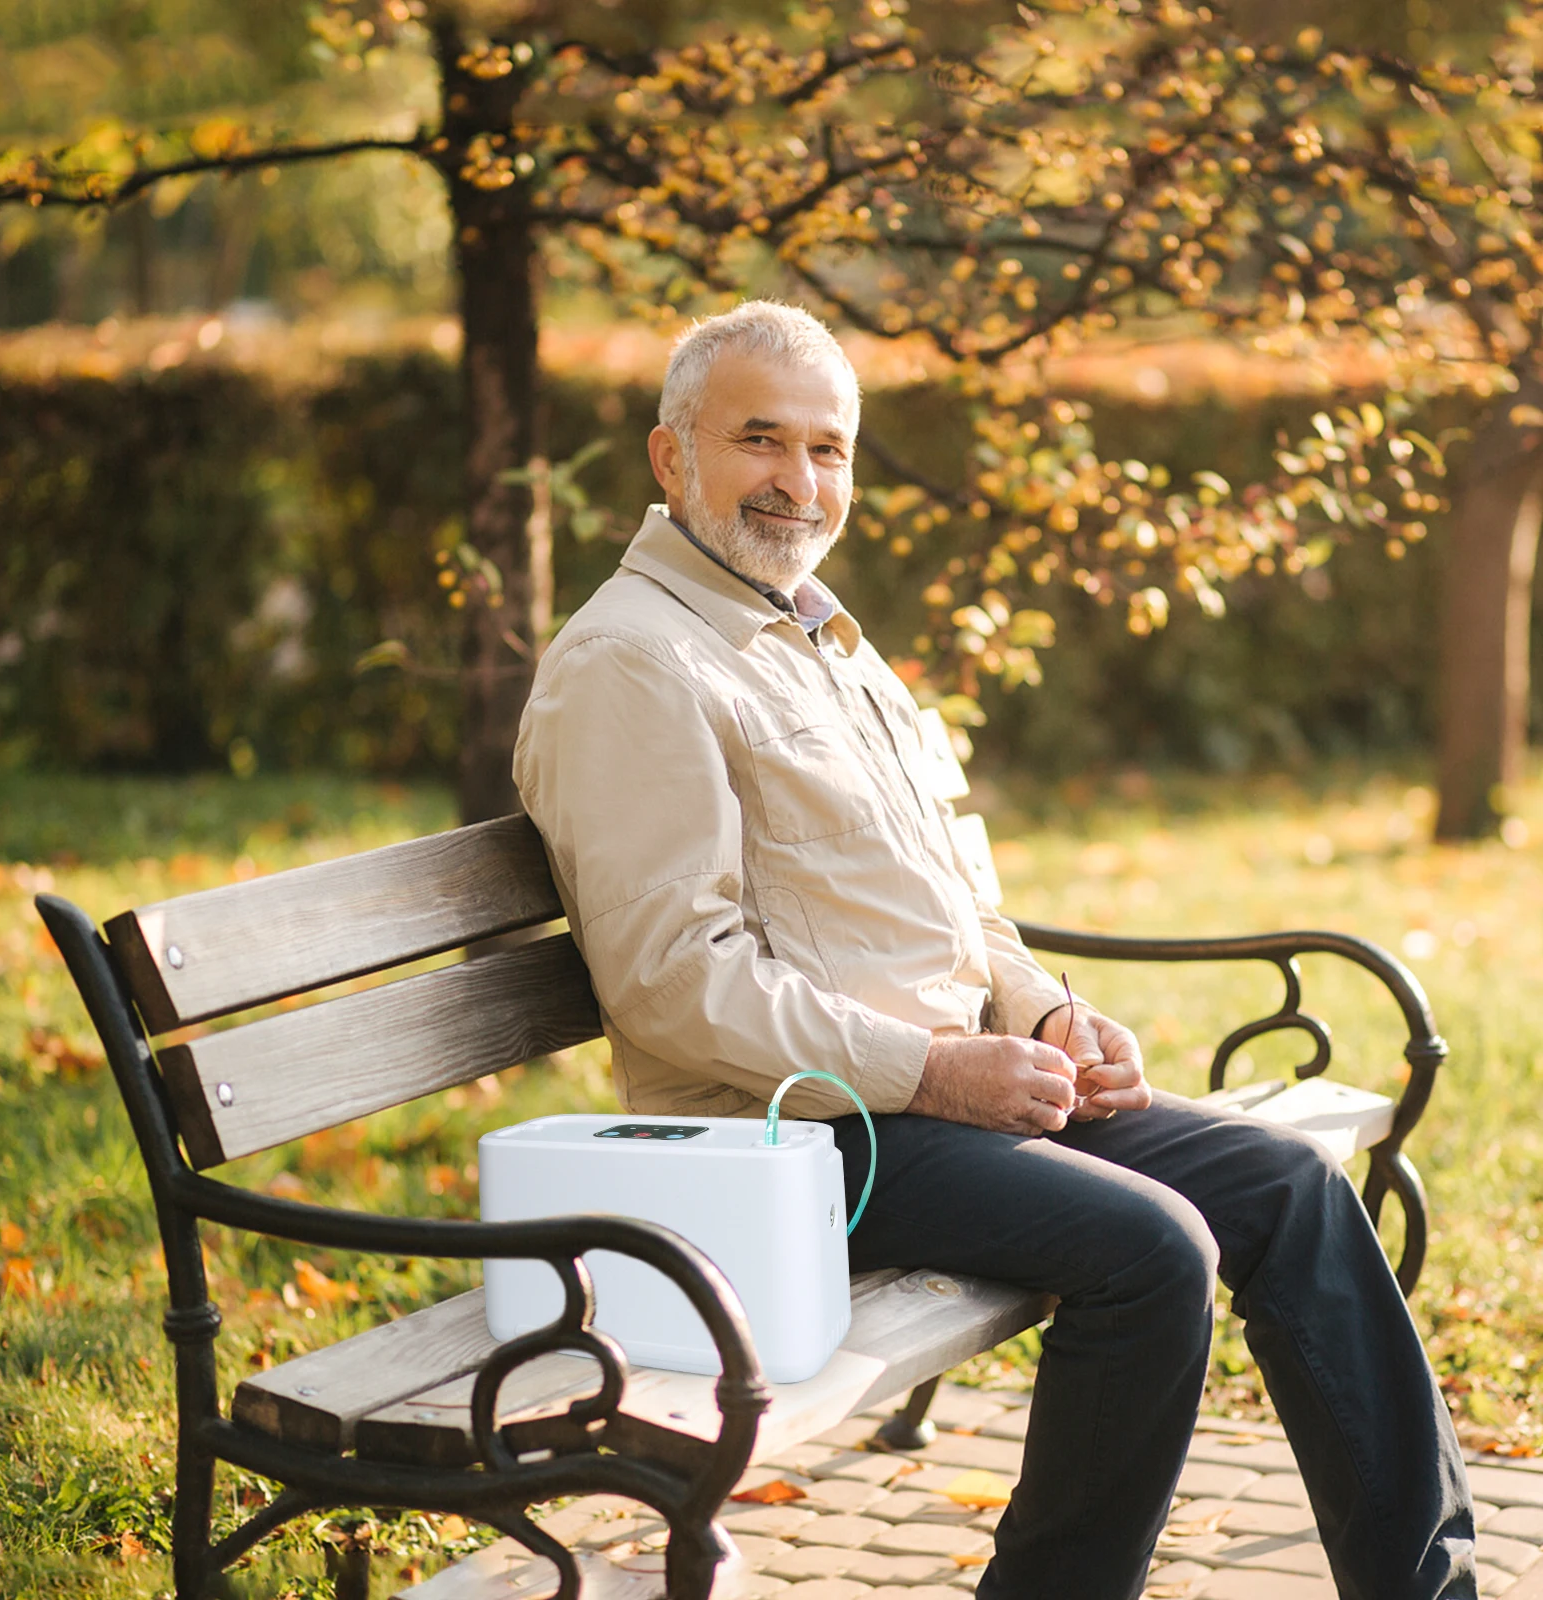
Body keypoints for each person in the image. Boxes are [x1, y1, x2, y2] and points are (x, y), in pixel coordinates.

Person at [513, 301, 1476, 1599]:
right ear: (671, 459)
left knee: (1289, 1192)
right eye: (760, 441)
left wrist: (1037, 1016)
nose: (800, 481)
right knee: (1154, 1253)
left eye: (830, 449)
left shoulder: (818, 638)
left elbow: (955, 903)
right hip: (800, 1135)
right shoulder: (636, 665)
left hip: (938, 1098)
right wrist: (933, 1068)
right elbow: (676, 985)